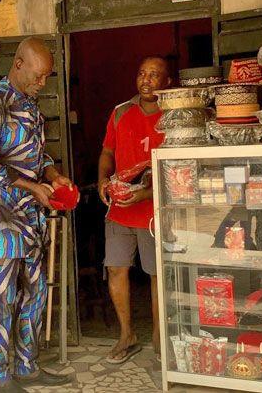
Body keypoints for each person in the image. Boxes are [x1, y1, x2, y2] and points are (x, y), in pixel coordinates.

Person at [0, 37, 72, 392]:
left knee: (35, 293)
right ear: (19, 64)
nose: (42, 84)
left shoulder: (29, 103)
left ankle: (27, 366)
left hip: (30, 219)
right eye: (39, 76)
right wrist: (30, 187)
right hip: (0, 222)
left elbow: (34, 155)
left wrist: (52, 175)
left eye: (46, 78)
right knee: (2, 299)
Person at [97, 56, 172, 364]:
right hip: (119, 210)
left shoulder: (173, 117)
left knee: (157, 275)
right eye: (142, 73)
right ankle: (126, 335)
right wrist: (103, 178)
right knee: (116, 268)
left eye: (154, 75)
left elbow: (180, 168)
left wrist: (145, 194)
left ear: (167, 82)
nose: (146, 79)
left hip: (154, 210)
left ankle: (158, 337)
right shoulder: (120, 113)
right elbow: (107, 151)